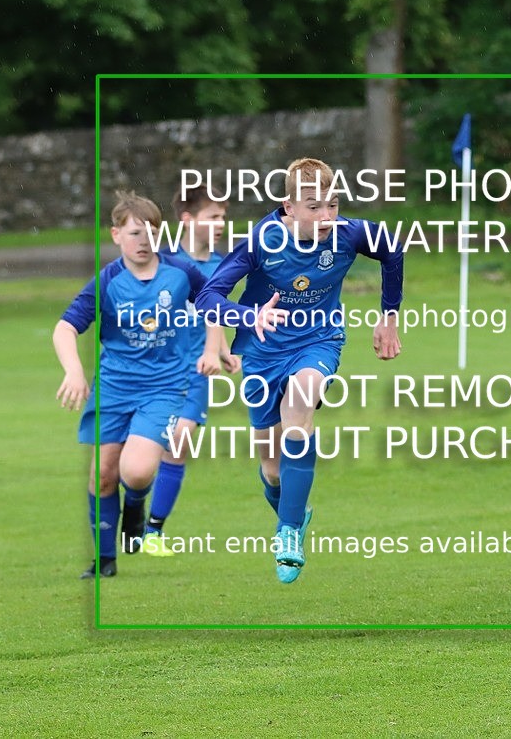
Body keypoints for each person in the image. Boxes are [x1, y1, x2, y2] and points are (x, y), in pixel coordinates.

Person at [196, 157, 403, 584]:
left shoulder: (350, 233)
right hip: (262, 351)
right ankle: (295, 511)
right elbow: (208, 298)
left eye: (333, 204)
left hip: (318, 341)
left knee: (301, 403)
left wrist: (389, 315)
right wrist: (248, 316)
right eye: (314, 206)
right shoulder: (261, 241)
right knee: (272, 469)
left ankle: (288, 533)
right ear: (289, 207)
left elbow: (392, 250)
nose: (326, 216)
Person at [53, 190, 221, 578]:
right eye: (134, 234)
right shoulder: (108, 280)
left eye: (151, 233)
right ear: (116, 235)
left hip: (164, 387)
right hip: (113, 389)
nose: (143, 241)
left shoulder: (180, 272)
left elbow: (213, 305)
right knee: (103, 474)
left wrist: (213, 350)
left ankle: (136, 505)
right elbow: (65, 327)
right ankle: (105, 560)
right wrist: (74, 371)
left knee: (138, 471)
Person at [142, 185, 241, 556]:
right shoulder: (164, 262)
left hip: (197, 368)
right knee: (143, 451)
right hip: (156, 367)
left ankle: (153, 531)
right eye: (213, 216)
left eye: (222, 217)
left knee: (179, 441)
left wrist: (223, 351)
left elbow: (214, 314)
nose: (221, 223)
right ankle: (133, 504)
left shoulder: (222, 265)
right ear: (187, 219)